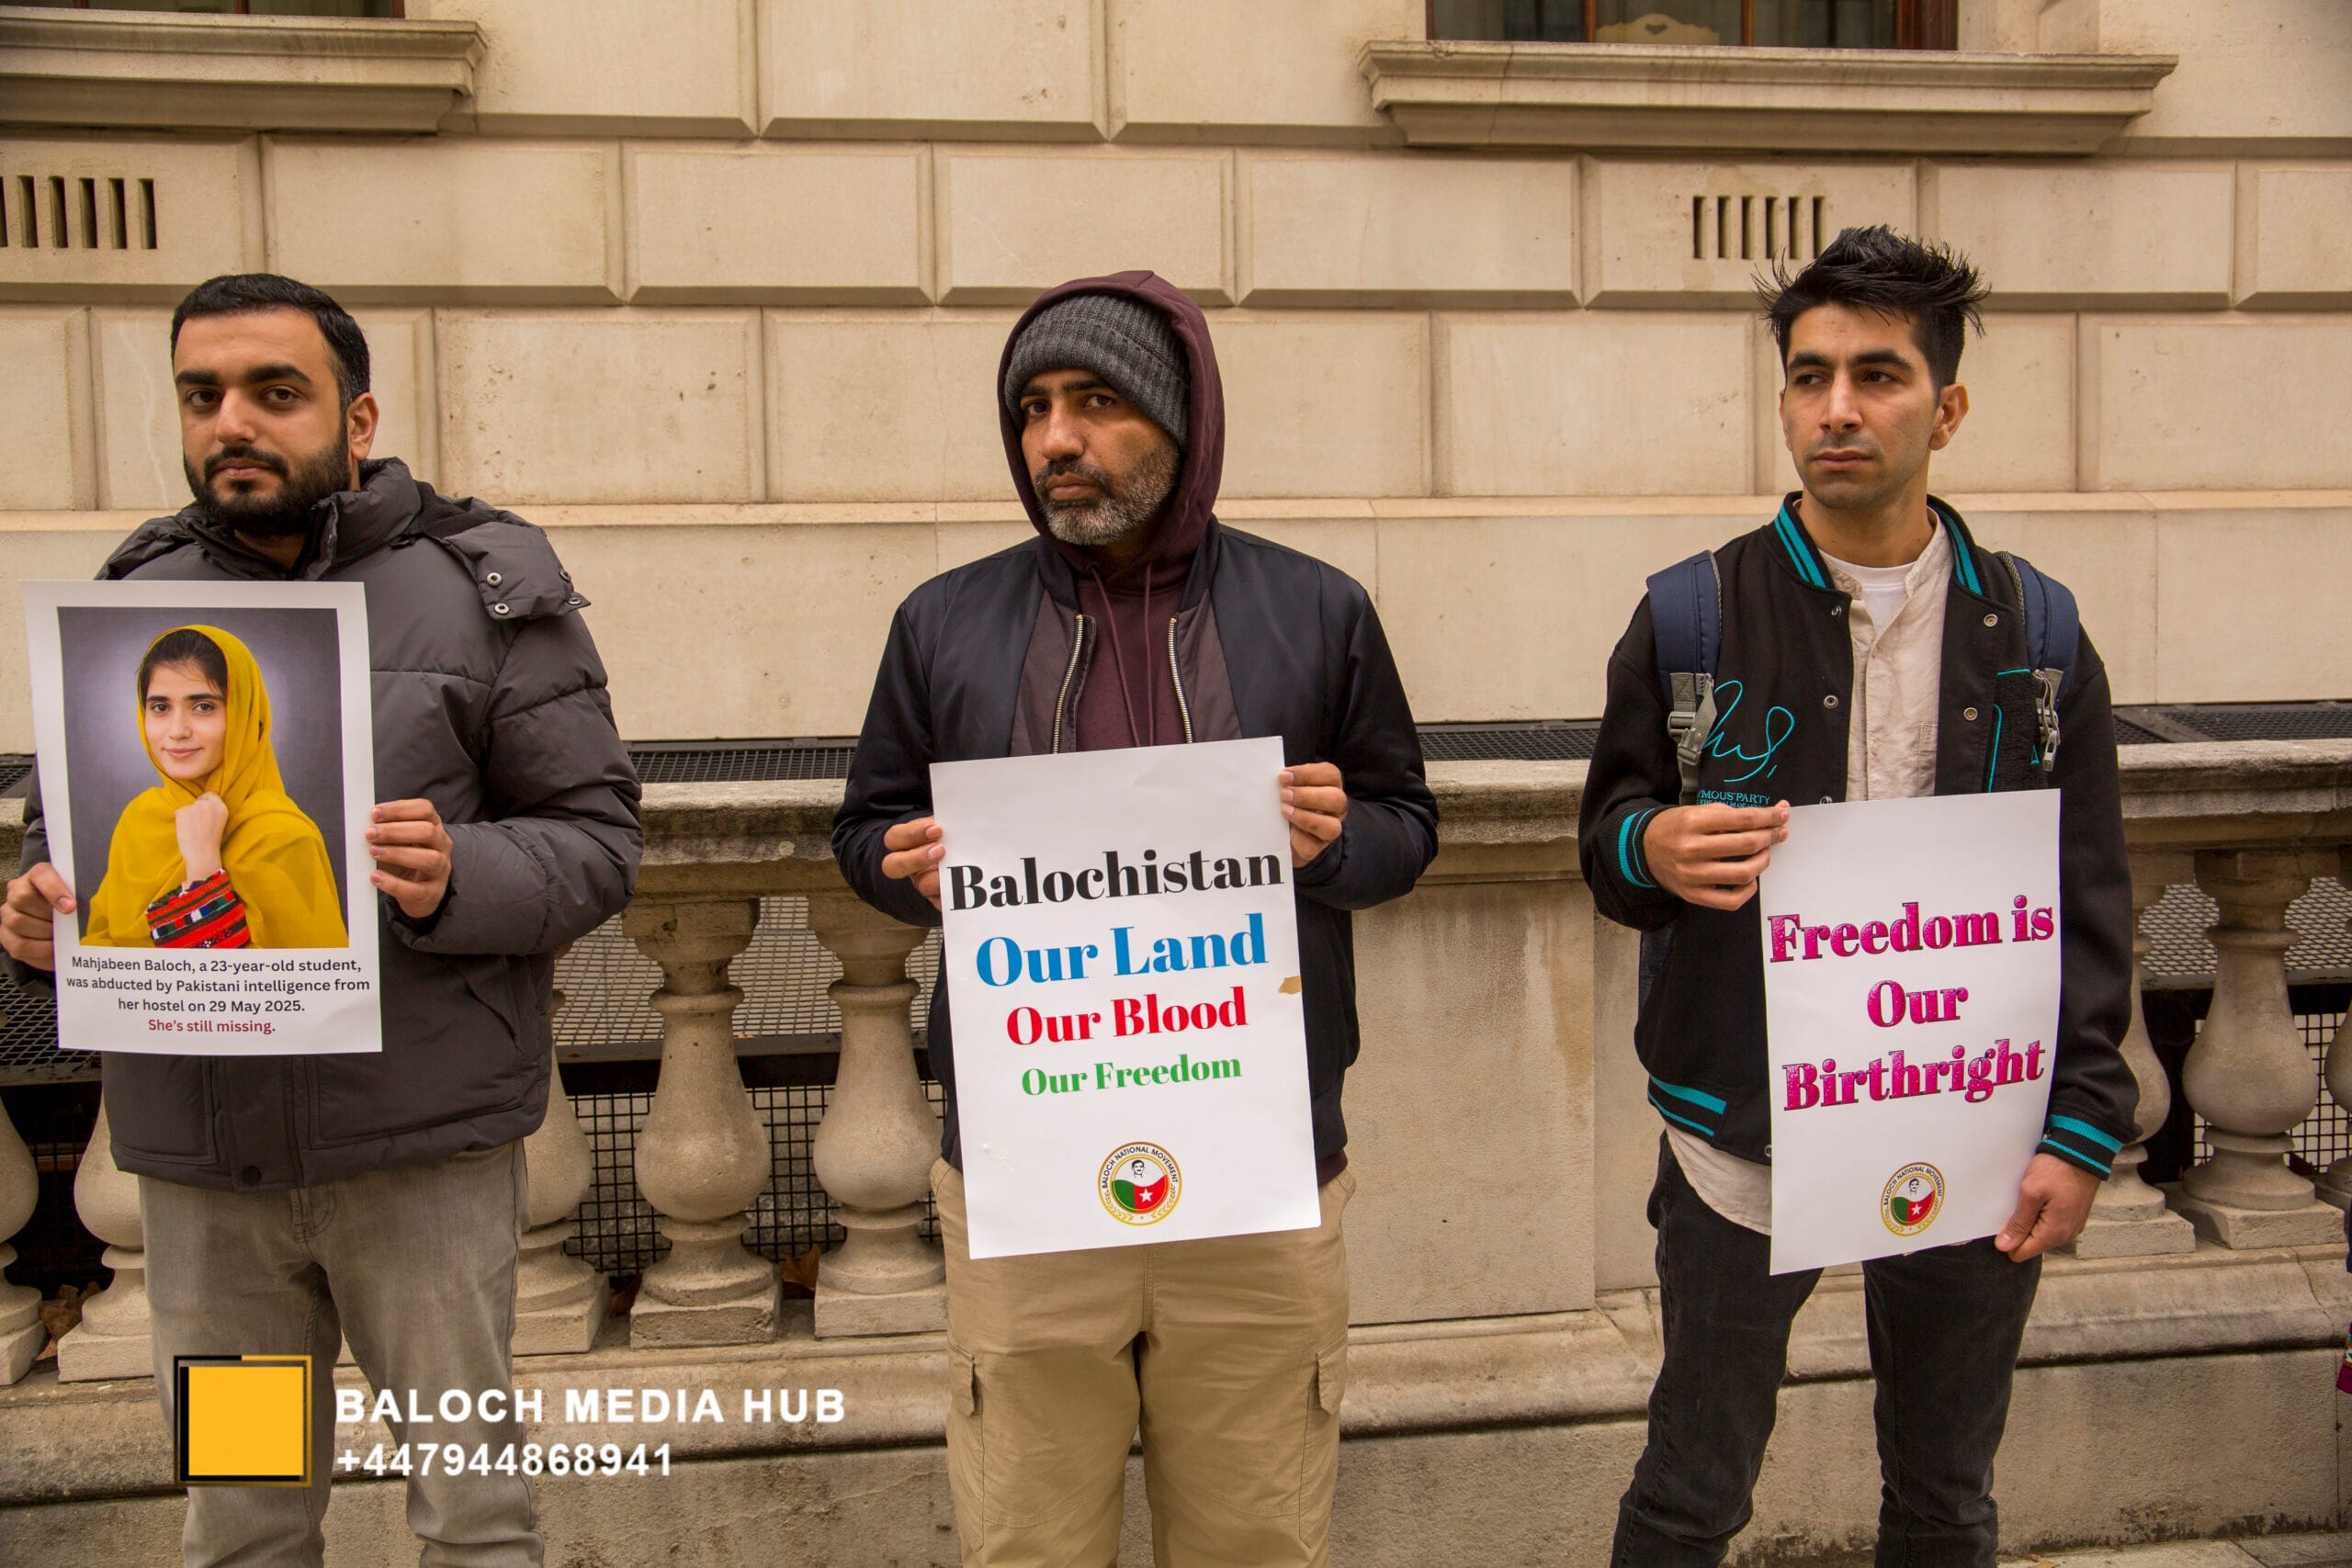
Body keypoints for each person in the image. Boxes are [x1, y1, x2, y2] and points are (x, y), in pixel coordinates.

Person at [1, 273, 641, 1567]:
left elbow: (597, 840)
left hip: (423, 1173)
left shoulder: (483, 585)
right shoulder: (139, 600)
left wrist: (454, 869)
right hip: (209, 1184)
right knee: (244, 1515)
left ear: (356, 419)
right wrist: (38, 911)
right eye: (203, 395)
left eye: (274, 393)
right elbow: (65, 846)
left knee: (472, 1511)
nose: (232, 421)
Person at [833, 272, 1437, 1567]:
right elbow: (864, 828)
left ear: (1181, 420)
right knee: (1028, 1536)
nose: (1056, 439)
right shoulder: (942, 622)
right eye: (1035, 408)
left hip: (1258, 1169)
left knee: (1258, 1534)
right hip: (1025, 1174)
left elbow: (1406, 828)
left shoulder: (1314, 608)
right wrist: (905, 865)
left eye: (1097, 403)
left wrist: (1337, 843)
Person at [1577, 227, 2136, 1567]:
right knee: (1692, 1487)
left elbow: (2092, 893)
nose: (1839, 406)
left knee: (1946, 1495)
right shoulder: (1690, 616)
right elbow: (1602, 841)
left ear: (1944, 407)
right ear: (1781, 400)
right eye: (1811, 374)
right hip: (1743, 1136)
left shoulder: (2040, 635)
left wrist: (2082, 1125)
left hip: (1975, 1127)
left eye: (1878, 374)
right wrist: (1651, 848)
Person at [84, 624, 345, 950]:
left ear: (245, 715)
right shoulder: (139, 820)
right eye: (160, 707)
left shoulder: (282, 836)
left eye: (203, 706)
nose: (177, 730)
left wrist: (203, 866)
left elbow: (299, 992)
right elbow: (96, 954)